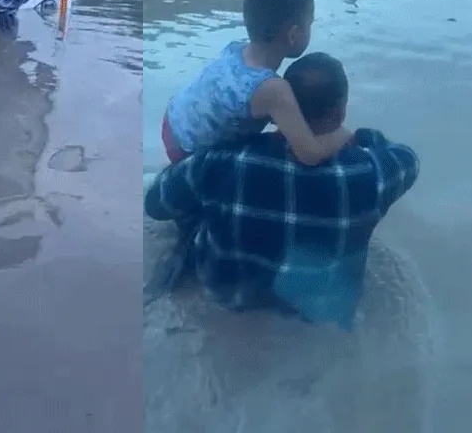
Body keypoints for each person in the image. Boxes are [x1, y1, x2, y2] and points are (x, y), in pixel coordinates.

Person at [145, 52, 420, 327]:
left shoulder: (222, 161)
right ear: (340, 112)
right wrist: (360, 137)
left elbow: (156, 204)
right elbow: (408, 159)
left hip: (228, 302)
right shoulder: (368, 176)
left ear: (278, 115)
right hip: (315, 316)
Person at [161, 0, 353, 166]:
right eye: (309, 24)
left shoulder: (236, 49)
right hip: (185, 150)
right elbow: (309, 155)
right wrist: (343, 135)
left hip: (172, 120)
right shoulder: (273, 90)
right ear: (293, 35)